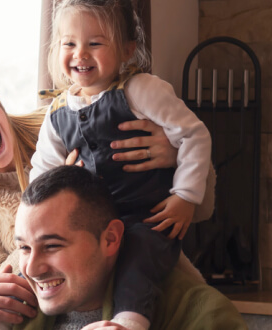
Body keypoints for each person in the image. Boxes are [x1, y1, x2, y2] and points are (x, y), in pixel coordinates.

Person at [0, 55, 217, 329]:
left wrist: (176, 156)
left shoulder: (60, 123)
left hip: (153, 284)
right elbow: (6, 285)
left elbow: (201, 209)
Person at [29, 0, 213, 328]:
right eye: (69, 43)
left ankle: (129, 322)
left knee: (138, 258)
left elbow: (194, 136)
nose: (80, 54)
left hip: (147, 218)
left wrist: (185, 197)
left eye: (95, 43)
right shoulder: (56, 112)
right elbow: (41, 175)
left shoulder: (141, 90)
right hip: (90, 227)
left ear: (128, 50)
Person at [0, 166, 245, 330]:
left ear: (111, 239)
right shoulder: (11, 307)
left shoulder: (198, 313)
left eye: (53, 246)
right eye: (25, 248)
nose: (32, 268)